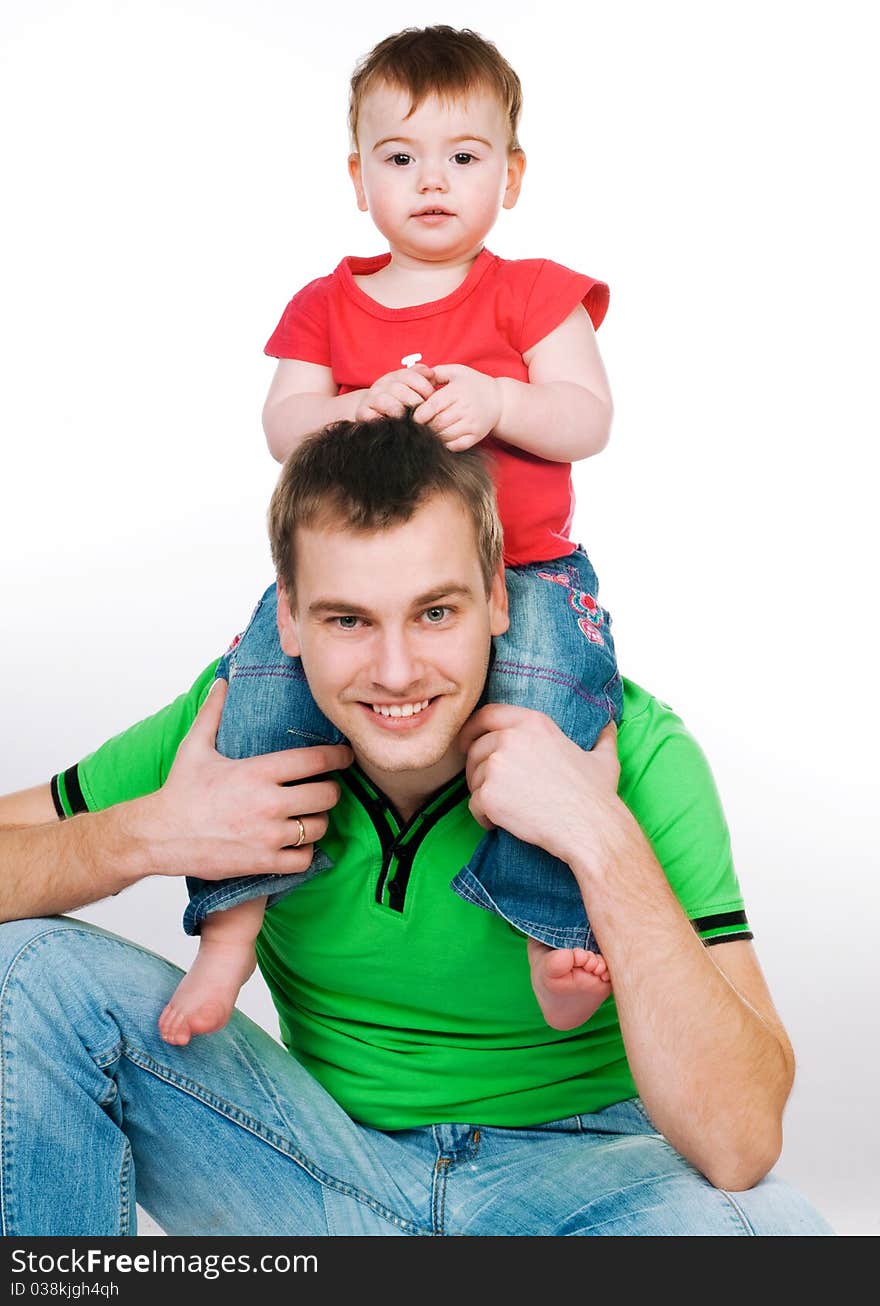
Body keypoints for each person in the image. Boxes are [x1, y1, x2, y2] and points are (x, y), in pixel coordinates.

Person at [0, 417, 833, 1236]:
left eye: (435, 613)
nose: (396, 673)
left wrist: (596, 831)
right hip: (322, 1172)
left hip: (583, 1188)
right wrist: (150, 832)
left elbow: (741, 1143)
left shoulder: (631, 749)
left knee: (772, 1235)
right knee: (24, 967)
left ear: (499, 597)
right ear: (286, 618)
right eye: (347, 620)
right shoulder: (233, 731)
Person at [171, 24, 622, 1044]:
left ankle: (549, 937)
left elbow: (586, 417)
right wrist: (358, 402)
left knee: (552, 716)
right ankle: (230, 930)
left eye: (464, 158)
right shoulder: (329, 304)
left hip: (528, 572)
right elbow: (284, 425)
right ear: (357, 175)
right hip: (366, 580)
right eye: (400, 157)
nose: (432, 181)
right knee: (260, 703)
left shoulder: (533, 294)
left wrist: (501, 402)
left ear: (508, 176)